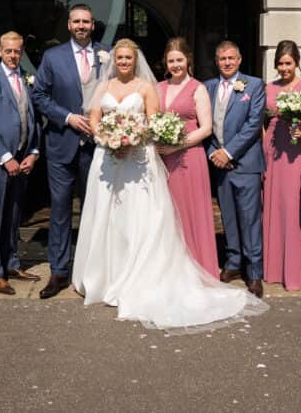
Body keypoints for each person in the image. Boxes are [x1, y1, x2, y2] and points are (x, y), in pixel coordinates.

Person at [72, 39, 267, 330]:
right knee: (108, 217)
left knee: (143, 217)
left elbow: (153, 123)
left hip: (143, 156)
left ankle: (244, 269)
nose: (124, 61)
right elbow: (95, 119)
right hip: (110, 157)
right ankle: (105, 276)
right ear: (114, 60)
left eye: (128, 57)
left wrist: (131, 138)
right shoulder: (107, 87)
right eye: (120, 57)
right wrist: (109, 139)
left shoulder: (154, 87)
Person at [32, 4, 108, 299]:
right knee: (61, 211)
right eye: (76, 21)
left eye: (86, 21)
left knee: (95, 211)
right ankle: (59, 272)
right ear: (68, 25)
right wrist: (68, 117)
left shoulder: (108, 54)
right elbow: (39, 95)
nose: (81, 26)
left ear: (93, 24)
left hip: (97, 148)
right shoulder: (52, 57)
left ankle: (93, 272)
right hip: (62, 143)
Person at [0, 33, 42, 295]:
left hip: (23, 159)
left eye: (17, 51)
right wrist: (6, 158)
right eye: (8, 51)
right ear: (0, 51)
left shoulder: (26, 78)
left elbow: (35, 119)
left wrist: (34, 152)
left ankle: (12, 262)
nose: (13, 56)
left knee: (14, 215)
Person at [205, 41, 266, 298]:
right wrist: (213, 153)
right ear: (217, 61)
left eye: (231, 58)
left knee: (250, 219)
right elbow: (201, 122)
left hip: (246, 164)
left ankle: (253, 271)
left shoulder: (254, 85)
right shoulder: (207, 87)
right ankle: (232, 263)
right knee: (228, 217)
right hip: (219, 164)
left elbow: (254, 125)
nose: (227, 62)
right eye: (222, 59)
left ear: (239, 60)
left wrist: (229, 152)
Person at [155, 37, 218, 278]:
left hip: (190, 158)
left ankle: (198, 268)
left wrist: (177, 146)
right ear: (166, 63)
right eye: (171, 61)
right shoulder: (159, 88)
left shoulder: (198, 88)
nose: (175, 65)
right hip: (163, 160)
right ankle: (171, 271)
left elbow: (206, 128)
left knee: (191, 212)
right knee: (168, 213)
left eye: (179, 60)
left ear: (187, 60)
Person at [262, 40, 301, 291]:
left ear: (297, 63)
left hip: (297, 151)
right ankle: (274, 268)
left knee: (295, 205)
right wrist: (264, 140)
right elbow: (261, 119)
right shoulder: (268, 87)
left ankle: (298, 268)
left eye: (289, 63)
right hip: (274, 151)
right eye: (281, 63)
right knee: (275, 205)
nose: (284, 68)